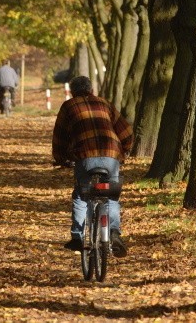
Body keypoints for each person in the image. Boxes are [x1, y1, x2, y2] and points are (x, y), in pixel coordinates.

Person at [52, 76, 133, 257]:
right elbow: (126, 131)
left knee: (81, 195)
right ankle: (114, 232)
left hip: (85, 156)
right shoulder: (104, 103)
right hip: (111, 155)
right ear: (91, 90)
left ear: (73, 91)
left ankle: (77, 238)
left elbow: (60, 136)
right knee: (111, 196)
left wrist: (60, 158)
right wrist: (124, 151)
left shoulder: (68, 106)